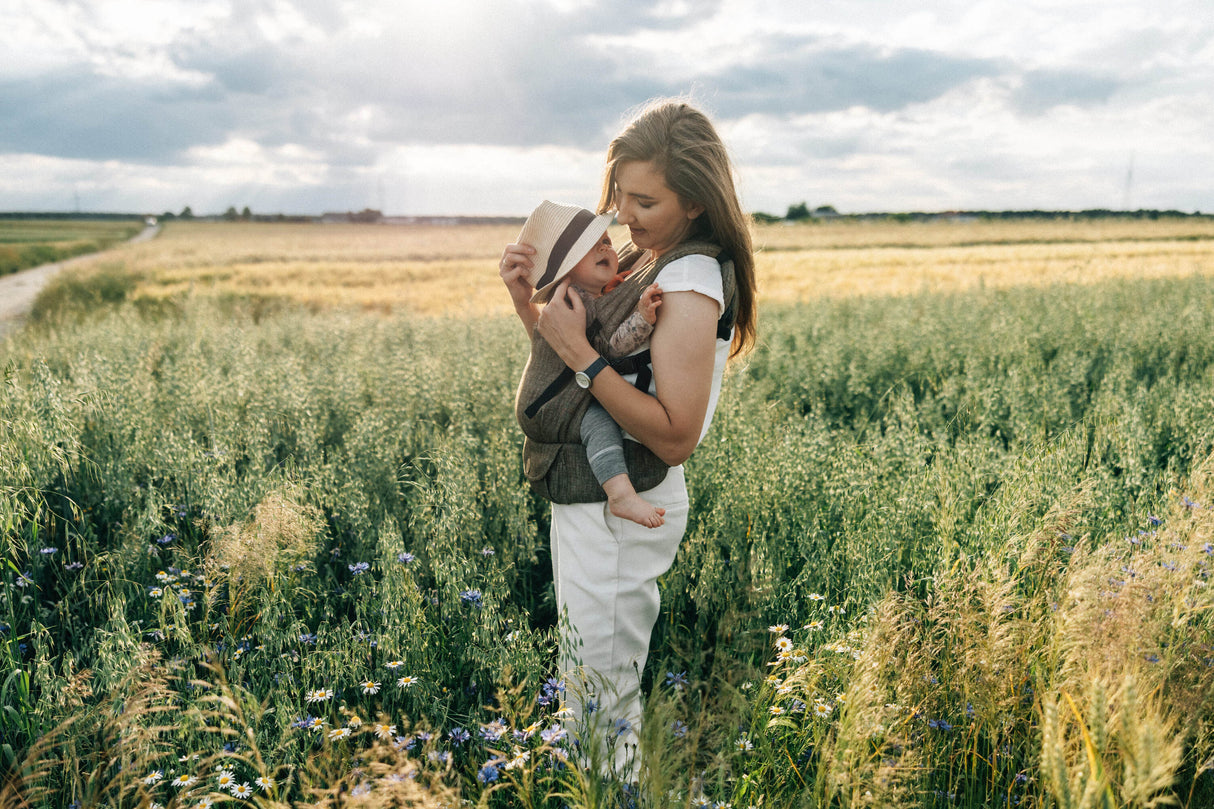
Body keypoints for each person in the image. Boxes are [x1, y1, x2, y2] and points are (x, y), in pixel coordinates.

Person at [499, 99, 757, 777]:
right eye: (619, 195)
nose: (623, 214)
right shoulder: (652, 263)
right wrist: (528, 302)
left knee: (601, 705)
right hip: (595, 505)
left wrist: (582, 358)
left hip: (623, 510)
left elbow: (673, 435)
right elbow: (572, 366)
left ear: (698, 202)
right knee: (587, 688)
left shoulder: (691, 279)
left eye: (644, 199)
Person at [513, 199, 668, 529]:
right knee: (599, 423)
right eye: (590, 247)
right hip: (552, 405)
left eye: (606, 242)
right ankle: (619, 493)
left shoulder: (605, 291)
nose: (605, 248)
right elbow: (609, 348)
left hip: (564, 395)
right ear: (565, 272)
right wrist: (642, 318)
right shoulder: (575, 300)